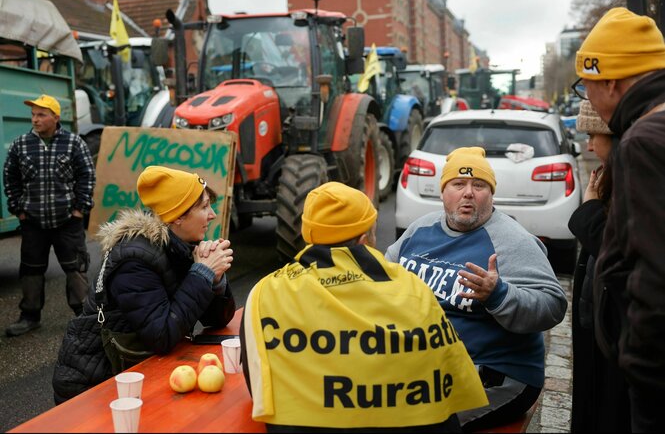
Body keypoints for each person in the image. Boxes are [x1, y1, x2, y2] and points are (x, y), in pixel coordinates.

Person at [241, 181, 488, 433]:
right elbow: (445, 377)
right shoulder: (411, 289)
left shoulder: (265, 293)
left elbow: (259, 386)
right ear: (364, 239)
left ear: (309, 234)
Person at [385, 147, 567, 432]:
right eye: (458, 184)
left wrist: (499, 295)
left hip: (497, 374)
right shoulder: (419, 230)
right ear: (443, 192)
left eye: (479, 185)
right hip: (428, 369)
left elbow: (553, 306)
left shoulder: (511, 241)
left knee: (416, 423)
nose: (468, 192)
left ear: (491, 194)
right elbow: (384, 280)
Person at [52, 166, 236, 403]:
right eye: (204, 207)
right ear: (178, 216)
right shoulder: (134, 260)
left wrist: (215, 279)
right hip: (94, 386)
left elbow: (218, 320)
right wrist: (202, 274)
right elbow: (161, 336)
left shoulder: (180, 246)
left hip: (136, 372)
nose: (212, 214)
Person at [574, 7, 665, 432]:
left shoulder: (643, 142)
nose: (586, 96)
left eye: (584, 86)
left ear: (608, 80)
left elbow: (653, 282)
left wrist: (644, 390)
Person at [2, 94, 96, 337]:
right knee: (31, 269)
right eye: (33, 115)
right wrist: (18, 209)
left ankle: (83, 316)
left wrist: (79, 210)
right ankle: (30, 316)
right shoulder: (20, 145)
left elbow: (87, 175)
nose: (35, 119)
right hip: (33, 221)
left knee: (76, 267)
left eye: (41, 114)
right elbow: (10, 177)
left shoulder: (74, 143)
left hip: (67, 220)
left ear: (55, 117)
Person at [567, 101, 630, 432]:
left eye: (593, 135)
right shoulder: (614, 176)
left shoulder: (634, 179)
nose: (588, 145)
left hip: (616, 344)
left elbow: (617, 251)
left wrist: (590, 209)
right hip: (602, 335)